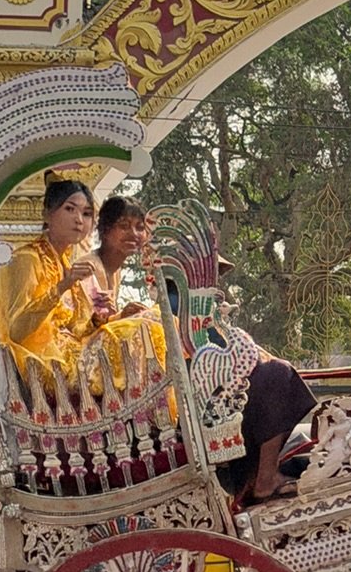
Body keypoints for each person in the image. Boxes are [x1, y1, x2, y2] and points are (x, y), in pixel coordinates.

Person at [84, 196, 314, 505]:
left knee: (276, 374)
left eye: (139, 227)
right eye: (124, 227)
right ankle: (264, 479)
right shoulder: (173, 304)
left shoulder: (185, 302)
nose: (134, 234)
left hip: (198, 386)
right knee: (278, 375)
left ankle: (263, 474)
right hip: (187, 396)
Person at [0, 177, 165, 404]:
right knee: (146, 326)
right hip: (45, 362)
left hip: (73, 350)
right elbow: (16, 330)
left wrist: (111, 318)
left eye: (86, 213)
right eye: (69, 209)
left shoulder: (65, 262)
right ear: (47, 214)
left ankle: (154, 411)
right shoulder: (27, 259)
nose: (78, 220)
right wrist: (62, 286)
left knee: (155, 317)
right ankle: (150, 411)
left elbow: (77, 327)